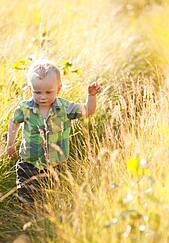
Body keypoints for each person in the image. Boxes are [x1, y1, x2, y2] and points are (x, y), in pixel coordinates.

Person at [7, 59, 101, 205]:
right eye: (37, 92)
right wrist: (10, 144)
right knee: (25, 198)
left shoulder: (65, 108)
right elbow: (14, 122)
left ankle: (45, 220)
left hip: (55, 165)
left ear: (58, 88)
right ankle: (27, 220)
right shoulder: (25, 108)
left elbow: (88, 111)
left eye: (48, 92)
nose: (43, 96)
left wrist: (92, 96)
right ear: (30, 89)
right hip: (28, 163)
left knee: (50, 199)